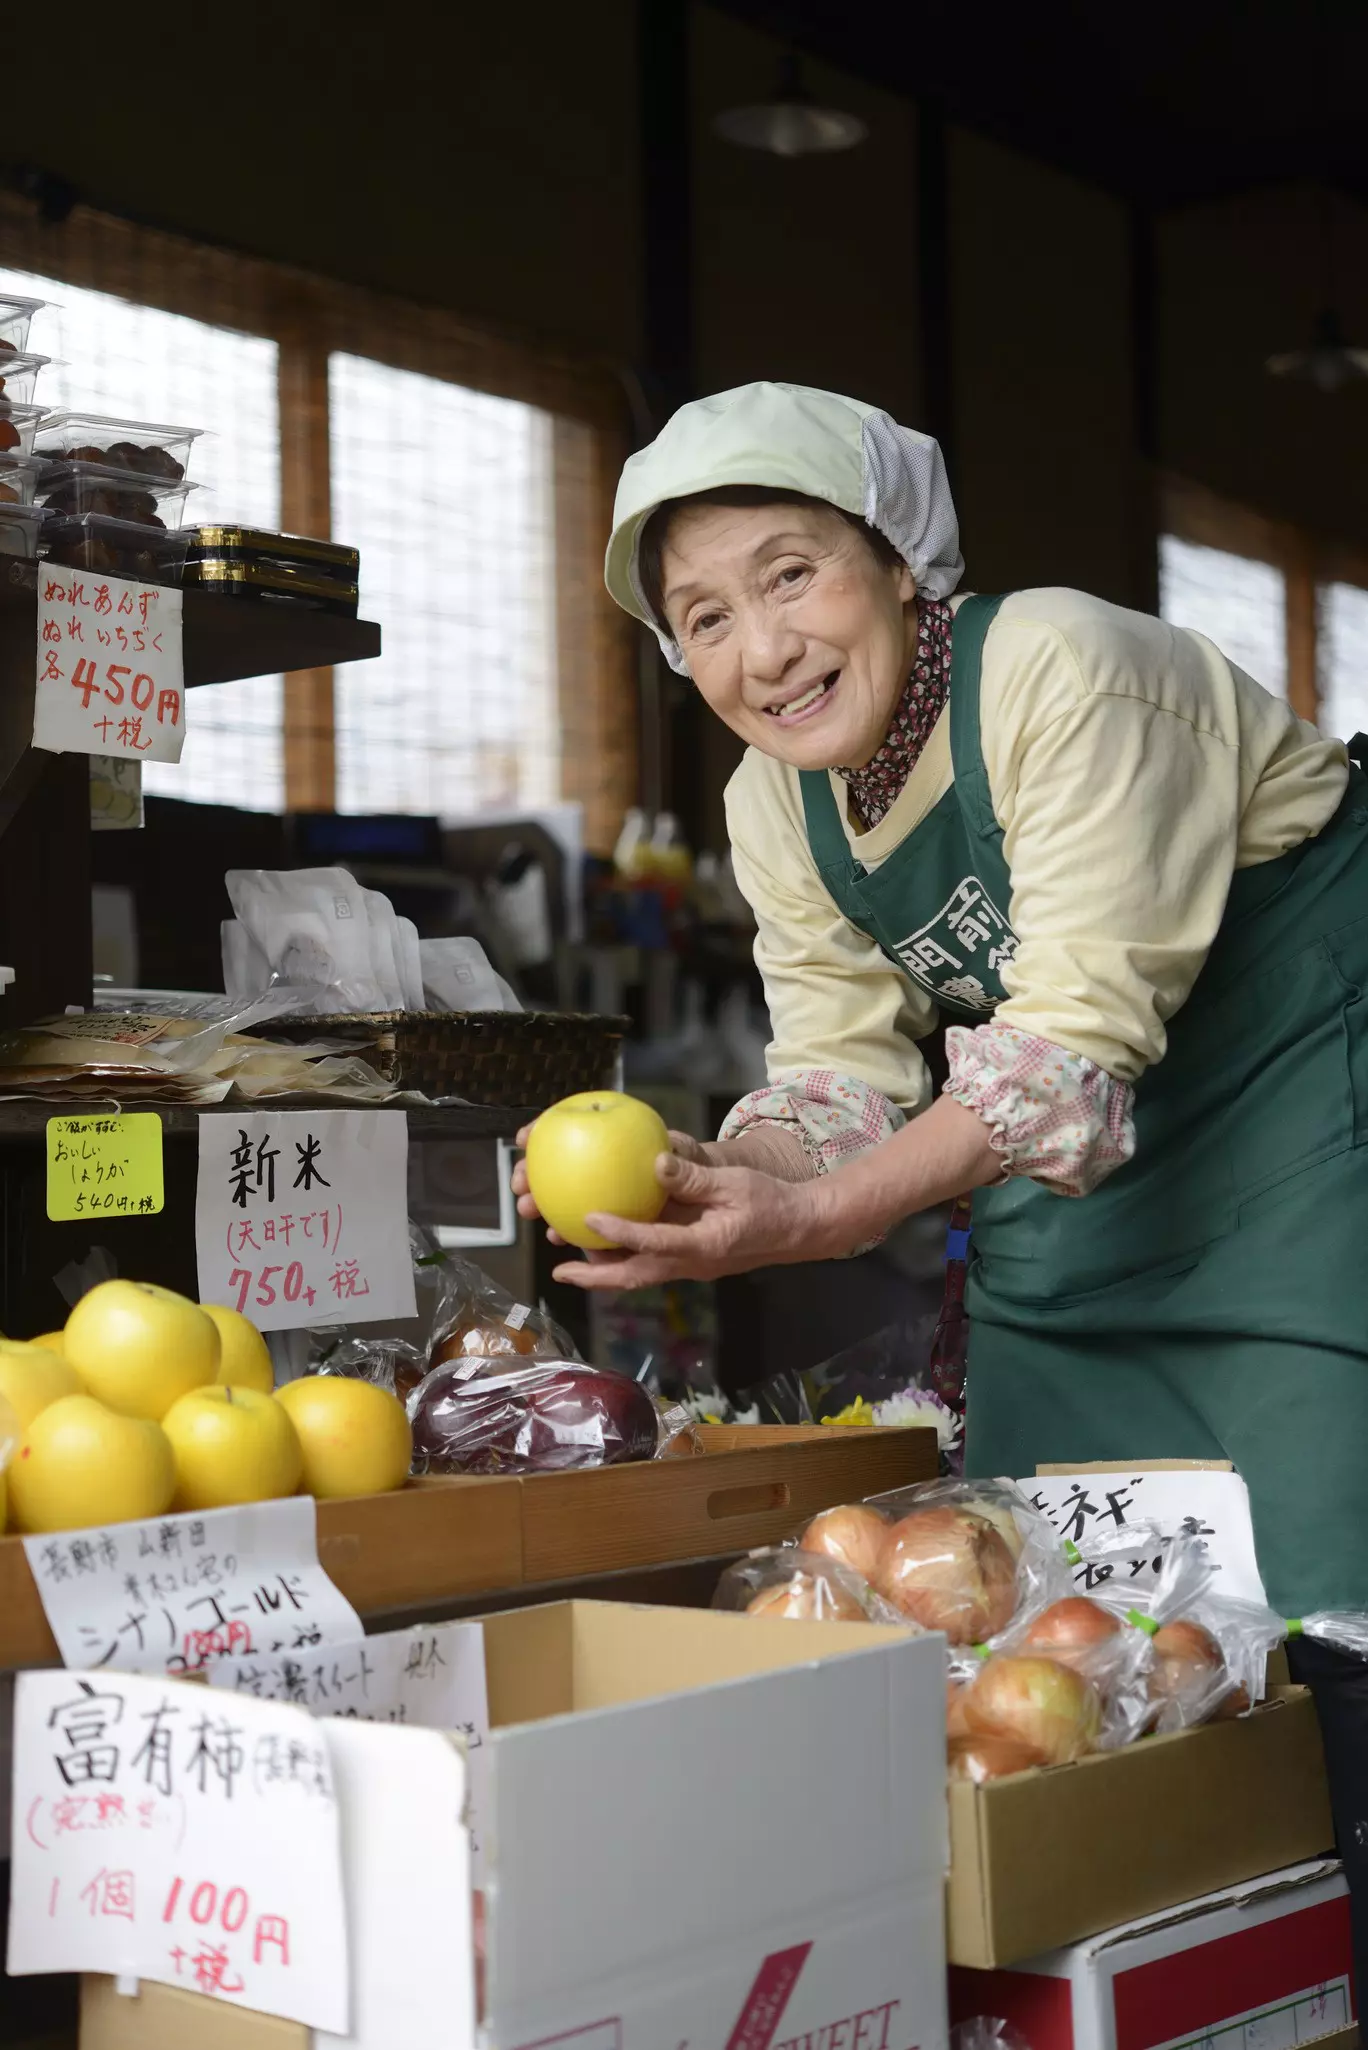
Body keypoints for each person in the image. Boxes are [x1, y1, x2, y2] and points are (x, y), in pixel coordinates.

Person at [512, 380, 1368, 1984]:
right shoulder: (778, 803)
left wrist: (815, 1216)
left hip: (1303, 1143)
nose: (760, 648)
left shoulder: (1059, 665)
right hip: (1089, 1205)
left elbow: (1066, 1046)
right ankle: (1125, 1989)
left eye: (789, 574)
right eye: (703, 617)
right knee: (1039, 1622)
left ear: (901, 559)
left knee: (1332, 1628)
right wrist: (714, 1177)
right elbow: (840, 1074)